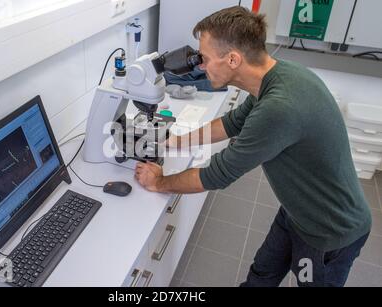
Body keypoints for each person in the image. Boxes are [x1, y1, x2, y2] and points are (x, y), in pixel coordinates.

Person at [134, 6, 371, 287]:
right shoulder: (277, 78)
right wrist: (174, 141)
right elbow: (231, 122)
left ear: (233, 59)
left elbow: (216, 174)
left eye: (205, 58)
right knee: (261, 276)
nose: (199, 66)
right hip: (295, 212)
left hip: (328, 230)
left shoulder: (279, 108)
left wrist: (159, 182)